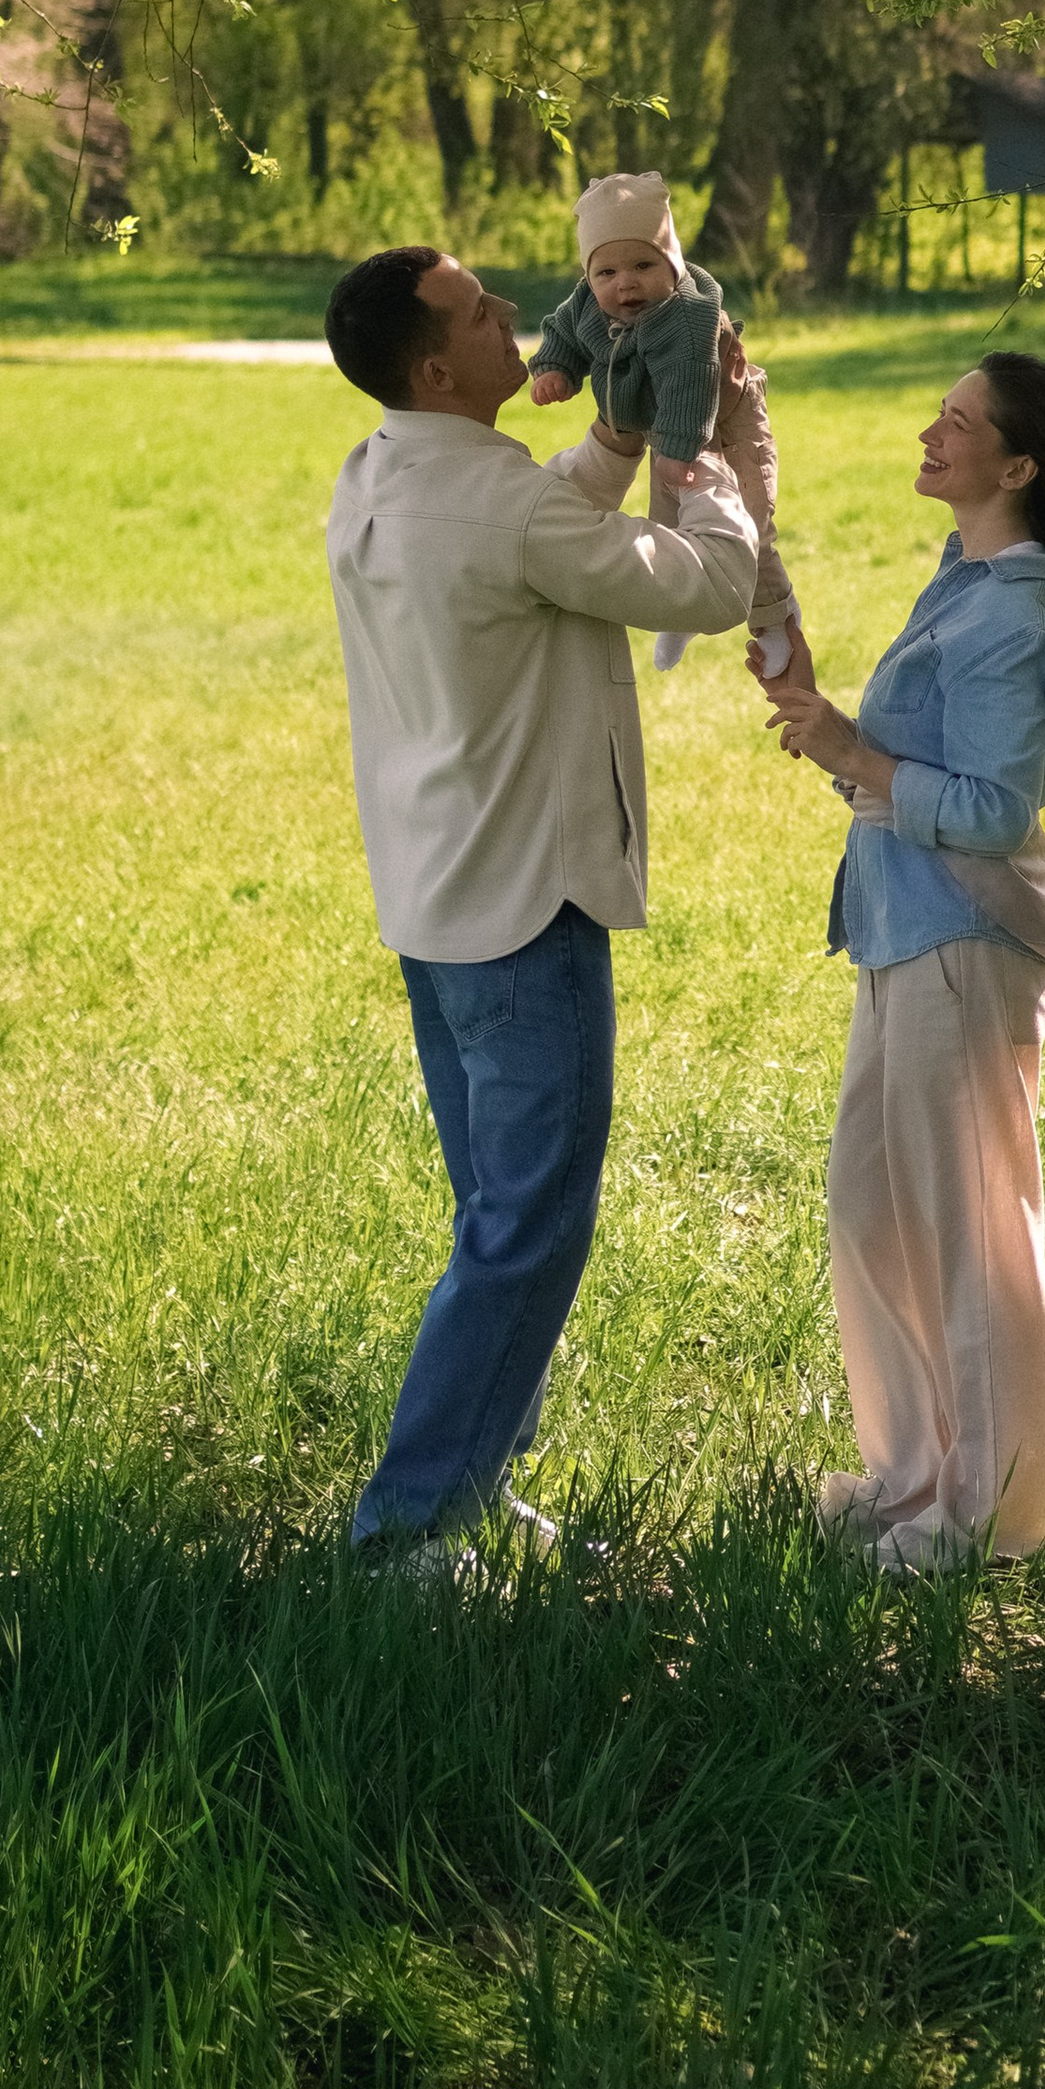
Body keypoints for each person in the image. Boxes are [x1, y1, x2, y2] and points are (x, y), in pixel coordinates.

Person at [322, 242, 759, 1555]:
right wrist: (709, 456)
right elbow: (710, 586)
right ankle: (408, 1533)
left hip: (436, 897)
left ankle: (472, 1491)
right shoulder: (502, 514)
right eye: (476, 311)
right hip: (525, 911)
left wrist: (614, 439)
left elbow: (532, 533)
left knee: (496, 1218)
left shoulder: (378, 474)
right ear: (433, 368)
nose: (511, 312)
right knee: (527, 1234)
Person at [756, 353, 1045, 1572]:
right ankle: (914, 1479)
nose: (931, 432)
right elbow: (910, 774)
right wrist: (828, 727)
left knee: (970, 1234)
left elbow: (986, 809)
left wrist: (853, 751)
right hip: (902, 926)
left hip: (965, 942)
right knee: (874, 1212)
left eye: (959, 423)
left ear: (1017, 468)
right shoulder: (963, 581)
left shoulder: (1009, 616)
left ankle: (988, 1519)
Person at [529, 168, 800, 677]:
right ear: (589, 276)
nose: (625, 282)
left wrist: (678, 450)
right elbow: (562, 330)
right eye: (606, 272)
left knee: (751, 523)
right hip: (668, 427)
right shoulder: (587, 302)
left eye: (643, 264)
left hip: (729, 422)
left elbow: (689, 384)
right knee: (668, 520)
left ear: (672, 262)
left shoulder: (688, 317)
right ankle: (683, 612)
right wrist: (555, 369)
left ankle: (775, 620)